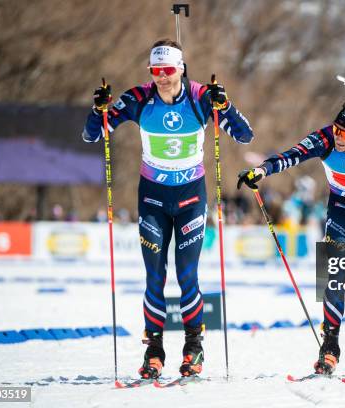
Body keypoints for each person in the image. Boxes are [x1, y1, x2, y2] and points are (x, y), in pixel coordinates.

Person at [82, 39, 254, 379]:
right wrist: (97, 110)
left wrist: (226, 105)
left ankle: (193, 347)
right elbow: (92, 135)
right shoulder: (138, 98)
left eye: (169, 70)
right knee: (155, 276)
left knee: (187, 275)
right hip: (152, 199)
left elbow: (245, 135)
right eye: (156, 71)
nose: (163, 77)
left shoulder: (201, 96)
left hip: (191, 198)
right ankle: (154, 350)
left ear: (181, 68)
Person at [237, 101, 345, 375]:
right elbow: (290, 155)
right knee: (334, 275)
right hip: (341, 208)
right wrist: (261, 170)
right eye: (336, 130)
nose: (338, 137)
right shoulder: (326, 138)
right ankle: (330, 345)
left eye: (344, 134)